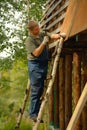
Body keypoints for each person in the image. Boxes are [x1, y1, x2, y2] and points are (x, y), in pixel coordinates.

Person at [25, 20, 61, 122]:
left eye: (38, 27)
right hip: (35, 65)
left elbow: (52, 36)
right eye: (36, 29)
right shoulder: (29, 40)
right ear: (32, 30)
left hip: (43, 63)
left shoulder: (42, 33)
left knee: (40, 89)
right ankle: (33, 114)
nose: (38, 29)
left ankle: (36, 112)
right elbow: (36, 53)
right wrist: (44, 43)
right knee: (36, 90)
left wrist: (60, 35)